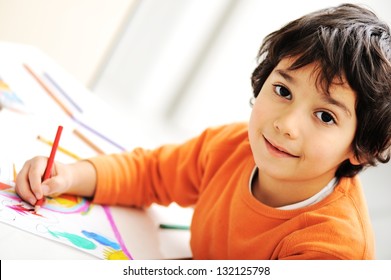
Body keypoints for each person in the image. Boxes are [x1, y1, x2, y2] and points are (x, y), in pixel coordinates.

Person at [15, 3, 391, 259]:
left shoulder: (334, 246)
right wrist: (68, 175)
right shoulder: (230, 146)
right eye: (283, 91)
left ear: (361, 146)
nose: (286, 124)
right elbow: (150, 173)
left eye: (325, 116)